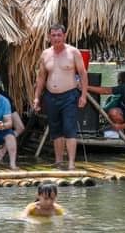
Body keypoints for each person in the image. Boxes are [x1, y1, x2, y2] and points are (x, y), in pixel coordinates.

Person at [33, 24, 88, 171]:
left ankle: (71, 163)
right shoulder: (45, 54)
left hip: (69, 95)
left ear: (64, 36)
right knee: (55, 129)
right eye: (53, 35)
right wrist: (37, 97)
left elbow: (83, 73)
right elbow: (41, 77)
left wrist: (83, 95)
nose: (56, 38)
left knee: (69, 129)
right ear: (49, 36)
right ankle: (58, 162)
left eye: (59, 35)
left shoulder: (73, 52)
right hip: (51, 96)